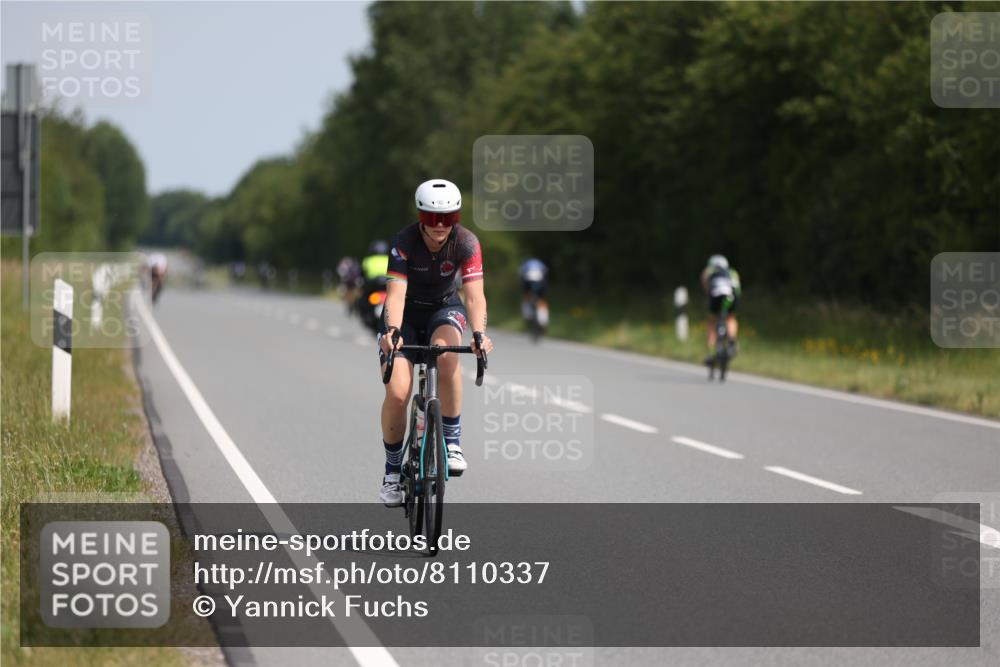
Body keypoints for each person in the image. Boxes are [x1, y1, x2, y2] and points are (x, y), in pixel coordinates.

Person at [376, 179, 493, 506]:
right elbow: (395, 296)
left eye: (448, 218)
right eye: (431, 219)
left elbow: (474, 297)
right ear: (420, 217)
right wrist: (393, 331)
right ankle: (392, 472)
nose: (440, 227)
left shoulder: (467, 242)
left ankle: (452, 442)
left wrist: (479, 334)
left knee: (446, 356)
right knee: (398, 391)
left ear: (456, 218)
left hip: (444, 308)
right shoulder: (404, 241)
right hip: (406, 315)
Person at [700, 254, 741, 363]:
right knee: (730, 317)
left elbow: (705, 283)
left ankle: (711, 352)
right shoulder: (732, 272)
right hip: (731, 297)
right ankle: (732, 341)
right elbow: (737, 288)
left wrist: (708, 295)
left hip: (716, 295)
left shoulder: (709, 270)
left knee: (712, 321)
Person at [518, 258, 549, 329]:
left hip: (529, 279)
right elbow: (546, 273)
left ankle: (528, 314)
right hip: (540, 280)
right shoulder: (540, 264)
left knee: (527, 296)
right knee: (542, 300)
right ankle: (543, 320)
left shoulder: (525, 265)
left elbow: (521, 276)